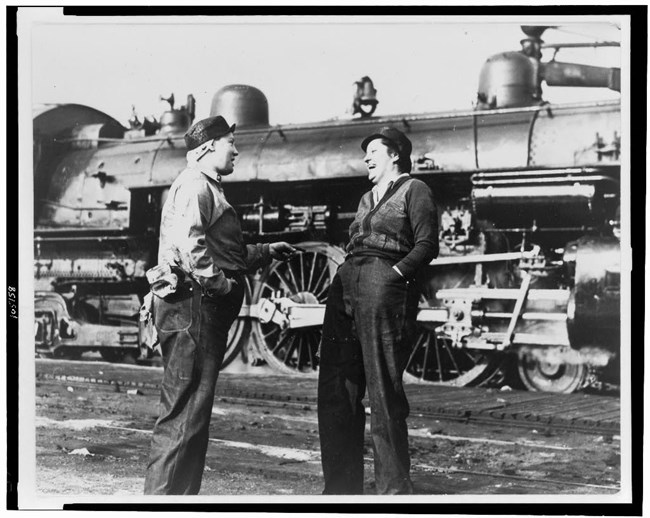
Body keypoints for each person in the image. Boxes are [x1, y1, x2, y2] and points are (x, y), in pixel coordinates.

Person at [144, 115, 297, 495]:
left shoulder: (207, 188)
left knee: (192, 417)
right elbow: (192, 249)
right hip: (193, 309)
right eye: (231, 142)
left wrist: (264, 251)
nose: (237, 150)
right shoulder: (197, 187)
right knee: (183, 416)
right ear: (209, 146)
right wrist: (224, 287)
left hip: (193, 310)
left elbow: (221, 250)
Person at [317, 126, 438, 495]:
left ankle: (394, 491)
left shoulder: (415, 189)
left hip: (382, 283)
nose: (366, 158)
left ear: (395, 154)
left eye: (373, 151)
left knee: (383, 390)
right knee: (337, 388)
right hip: (348, 282)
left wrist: (395, 274)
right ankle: (341, 489)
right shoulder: (367, 196)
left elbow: (427, 244)